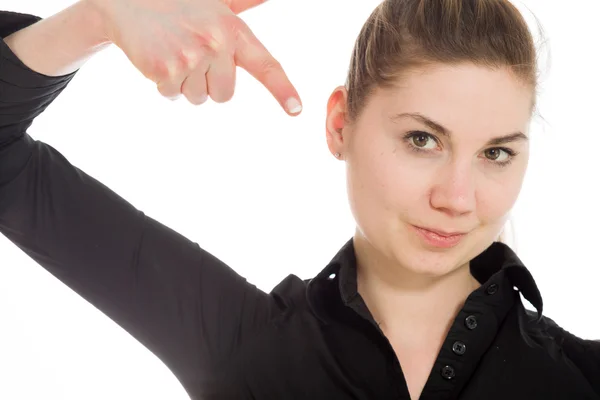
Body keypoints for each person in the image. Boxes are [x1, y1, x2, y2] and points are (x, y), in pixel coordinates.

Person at [0, 0, 598, 399]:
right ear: (340, 124)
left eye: (496, 153)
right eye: (423, 139)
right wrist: (101, 15)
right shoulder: (242, 345)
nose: (459, 198)